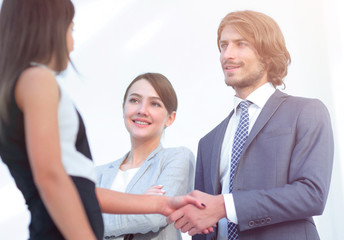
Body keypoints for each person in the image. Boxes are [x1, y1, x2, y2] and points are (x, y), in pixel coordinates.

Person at [0, 1, 204, 239]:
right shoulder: (37, 79)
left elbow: (81, 190)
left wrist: (160, 204)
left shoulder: (21, 84)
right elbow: (50, 177)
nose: (72, 43)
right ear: (50, 28)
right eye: (71, 29)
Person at [167, 10, 334, 240]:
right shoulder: (208, 142)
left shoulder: (305, 112)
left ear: (267, 54)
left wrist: (226, 206)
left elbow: (311, 195)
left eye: (240, 44)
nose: (227, 54)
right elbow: (204, 224)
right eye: (223, 45)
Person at [95, 72, 195, 240]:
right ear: (123, 108)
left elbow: (154, 217)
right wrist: (142, 202)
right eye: (134, 100)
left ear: (170, 118)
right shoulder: (98, 174)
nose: (142, 110)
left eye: (155, 104)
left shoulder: (176, 158)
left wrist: (92, 221)